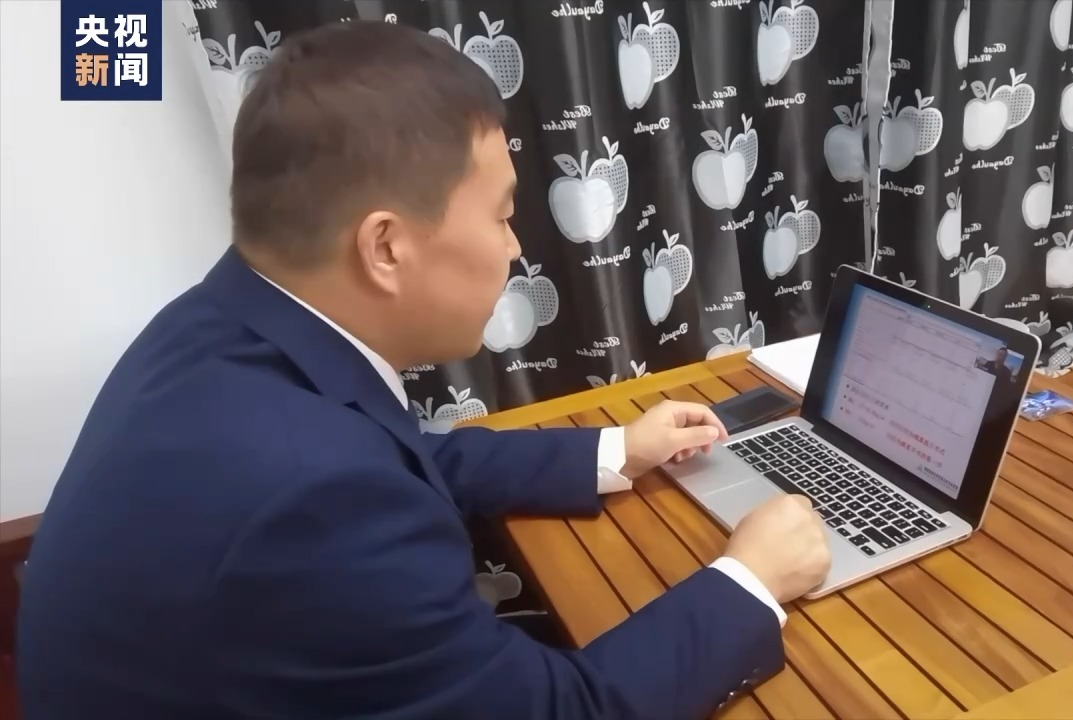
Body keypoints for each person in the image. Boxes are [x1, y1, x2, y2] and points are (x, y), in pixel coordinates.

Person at [16, 21, 831, 720]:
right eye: (503, 215)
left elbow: (398, 453)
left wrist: (615, 449)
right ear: (386, 247)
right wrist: (750, 579)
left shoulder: (217, 326)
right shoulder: (315, 501)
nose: (516, 247)